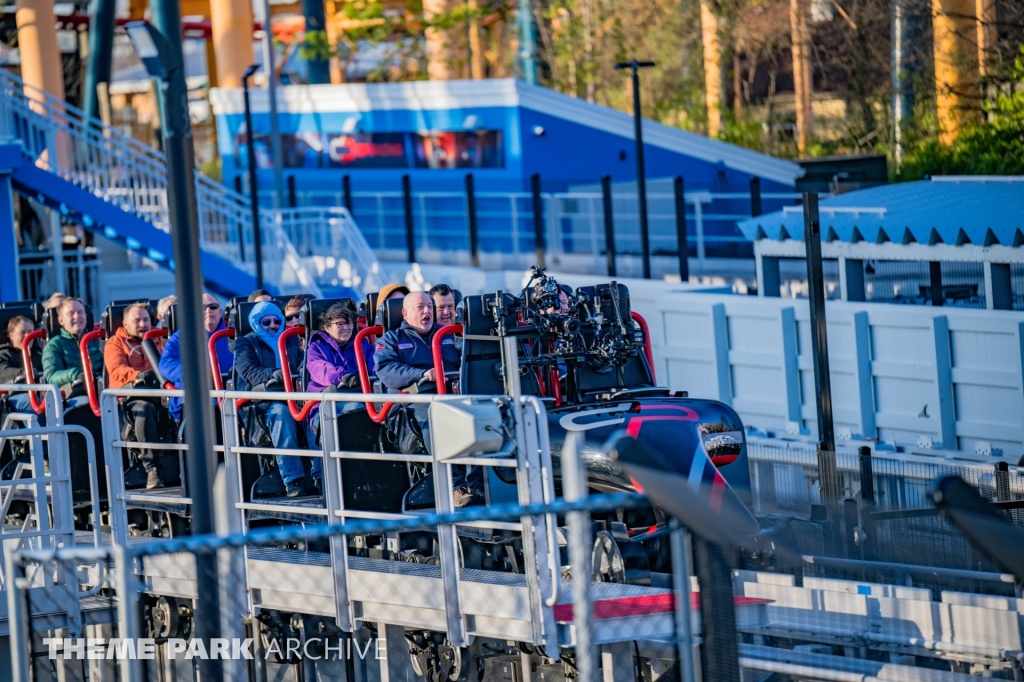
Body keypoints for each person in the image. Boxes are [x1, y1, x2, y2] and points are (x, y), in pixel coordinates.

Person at [374, 292, 479, 506]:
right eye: (420, 307)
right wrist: (421, 374)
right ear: (404, 313)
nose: (427, 312)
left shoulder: (449, 335)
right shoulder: (392, 339)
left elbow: (468, 360)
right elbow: (386, 371)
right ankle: (454, 487)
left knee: (480, 414)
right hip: (412, 402)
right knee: (434, 418)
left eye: (430, 307)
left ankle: (478, 482)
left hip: (450, 394)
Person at [234, 301, 319, 497]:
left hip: (293, 397)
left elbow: (302, 363)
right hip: (263, 403)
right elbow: (249, 372)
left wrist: (297, 373)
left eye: (276, 321)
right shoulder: (245, 343)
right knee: (282, 414)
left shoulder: (289, 340)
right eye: (266, 322)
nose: (273, 326)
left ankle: (321, 475)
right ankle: (293, 479)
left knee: (314, 413)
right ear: (256, 323)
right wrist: (274, 374)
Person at [104, 302, 168, 489]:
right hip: (131, 397)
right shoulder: (115, 343)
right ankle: (153, 469)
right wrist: (139, 375)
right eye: (137, 320)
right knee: (143, 409)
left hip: (162, 392)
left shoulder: (160, 338)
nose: (142, 324)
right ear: (125, 324)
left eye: (146, 319)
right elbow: (117, 370)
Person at [159, 293, 233, 422]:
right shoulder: (181, 337)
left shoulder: (233, 335)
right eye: (203, 307)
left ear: (220, 312)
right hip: (193, 397)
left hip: (229, 396)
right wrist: (193, 374)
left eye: (213, 307)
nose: (208, 310)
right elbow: (166, 364)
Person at [305, 303, 373, 435]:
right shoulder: (316, 347)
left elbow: (375, 363)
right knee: (355, 411)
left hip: (360, 397)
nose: (346, 328)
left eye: (349, 323)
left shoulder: (361, 344)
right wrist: (342, 376)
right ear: (327, 327)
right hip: (325, 403)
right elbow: (320, 369)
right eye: (340, 324)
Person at [42, 298, 102, 410]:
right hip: (73, 393)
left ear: (86, 315)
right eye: (71, 313)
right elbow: (51, 376)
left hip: (100, 388)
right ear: (61, 321)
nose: (77, 316)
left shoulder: (97, 340)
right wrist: (76, 374)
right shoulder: (54, 345)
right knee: (85, 404)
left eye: (80, 312)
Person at [0, 316, 44, 418]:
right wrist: (27, 373)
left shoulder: (39, 354)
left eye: (30, 332)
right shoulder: (3, 354)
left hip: (40, 393)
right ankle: (42, 433)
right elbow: (4, 372)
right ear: (11, 335)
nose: (27, 336)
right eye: (22, 332)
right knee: (30, 403)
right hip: (12, 396)